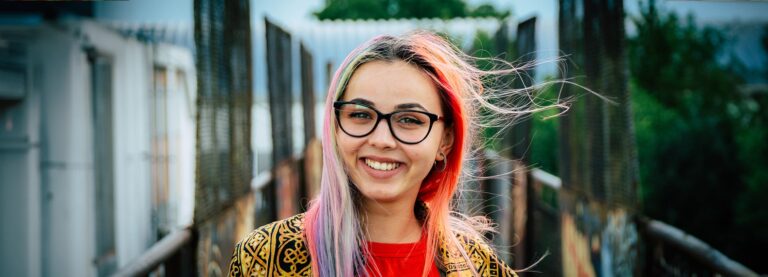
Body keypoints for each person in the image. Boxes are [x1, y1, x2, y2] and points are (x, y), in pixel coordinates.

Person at [229, 31, 531, 277]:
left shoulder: (478, 267)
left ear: (446, 141)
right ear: (334, 127)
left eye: (410, 120)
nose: (382, 139)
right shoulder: (263, 258)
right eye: (361, 115)